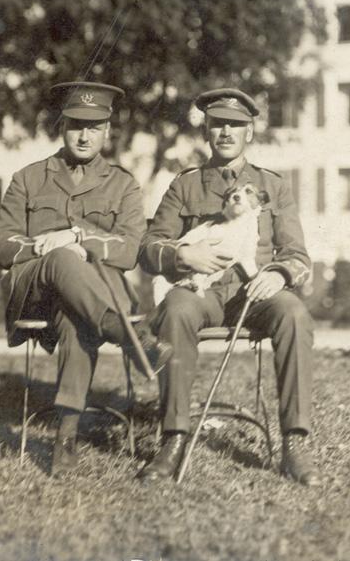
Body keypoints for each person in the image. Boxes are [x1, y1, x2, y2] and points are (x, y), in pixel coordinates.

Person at [0, 81, 172, 476]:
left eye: (94, 127)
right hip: (35, 291)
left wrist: (77, 238)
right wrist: (47, 247)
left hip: (88, 297)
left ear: (108, 131)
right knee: (61, 259)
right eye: (75, 125)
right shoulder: (29, 177)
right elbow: (0, 245)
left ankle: (65, 438)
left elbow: (129, 250)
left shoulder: (123, 184)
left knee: (77, 319)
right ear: (62, 126)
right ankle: (130, 337)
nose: (84, 135)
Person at [138, 87, 318, 486]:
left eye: (236, 126)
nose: (226, 132)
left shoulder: (274, 186)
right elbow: (149, 247)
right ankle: (172, 438)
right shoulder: (184, 185)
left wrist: (279, 274)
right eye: (218, 124)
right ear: (206, 131)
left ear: (249, 133)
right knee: (176, 310)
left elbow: (298, 254)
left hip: (257, 292)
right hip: (202, 292)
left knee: (294, 313)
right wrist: (183, 257)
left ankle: (295, 441)